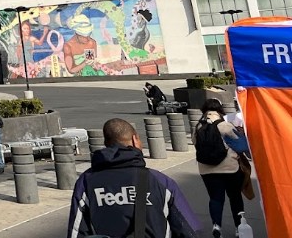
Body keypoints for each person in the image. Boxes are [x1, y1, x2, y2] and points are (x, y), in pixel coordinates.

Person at [67, 118, 199, 238]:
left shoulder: (86, 181)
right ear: (135, 140)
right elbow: (188, 229)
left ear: (106, 143)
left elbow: (76, 231)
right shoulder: (159, 181)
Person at [194, 99, 245, 238]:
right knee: (235, 197)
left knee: (215, 198)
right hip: (230, 168)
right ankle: (239, 228)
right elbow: (241, 146)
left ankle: (217, 226)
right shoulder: (225, 125)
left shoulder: (198, 127)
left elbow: (196, 145)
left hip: (207, 169)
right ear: (220, 110)